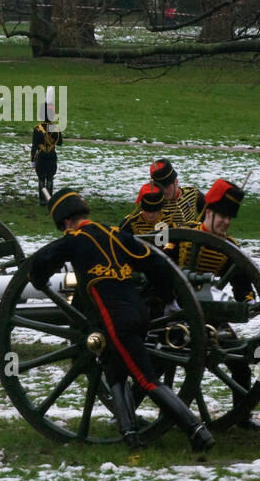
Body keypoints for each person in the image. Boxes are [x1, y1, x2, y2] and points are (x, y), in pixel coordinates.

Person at [29, 189, 214, 452]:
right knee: (114, 371)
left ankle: (196, 431)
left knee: (146, 379)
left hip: (115, 320)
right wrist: (165, 296)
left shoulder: (73, 240)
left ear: (66, 223)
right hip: (139, 313)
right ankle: (129, 434)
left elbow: (41, 262)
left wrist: (38, 281)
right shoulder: (115, 233)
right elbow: (157, 264)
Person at [174, 178, 260, 430]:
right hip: (172, 313)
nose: (226, 222)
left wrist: (248, 302)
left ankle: (241, 416)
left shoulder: (229, 247)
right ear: (208, 212)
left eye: (229, 218)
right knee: (157, 364)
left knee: (240, 361)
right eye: (222, 216)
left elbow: (241, 283)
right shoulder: (181, 234)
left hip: (209, 316)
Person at [149, 158, 203, 226]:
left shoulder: (192, 192)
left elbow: (208, 212)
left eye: (167, 186)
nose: (164, 191)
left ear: (175, 181)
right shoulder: (155, 203)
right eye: (161, 188)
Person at [31, 110, 62, 204]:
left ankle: (42, 200)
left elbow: (35, 145)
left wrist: (32, 158)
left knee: (41, 178)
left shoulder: (38, 128)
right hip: (51, 155)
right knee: (50, 178)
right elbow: (60, 143)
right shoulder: (55, 128)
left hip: (41, 155)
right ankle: (49, 199)